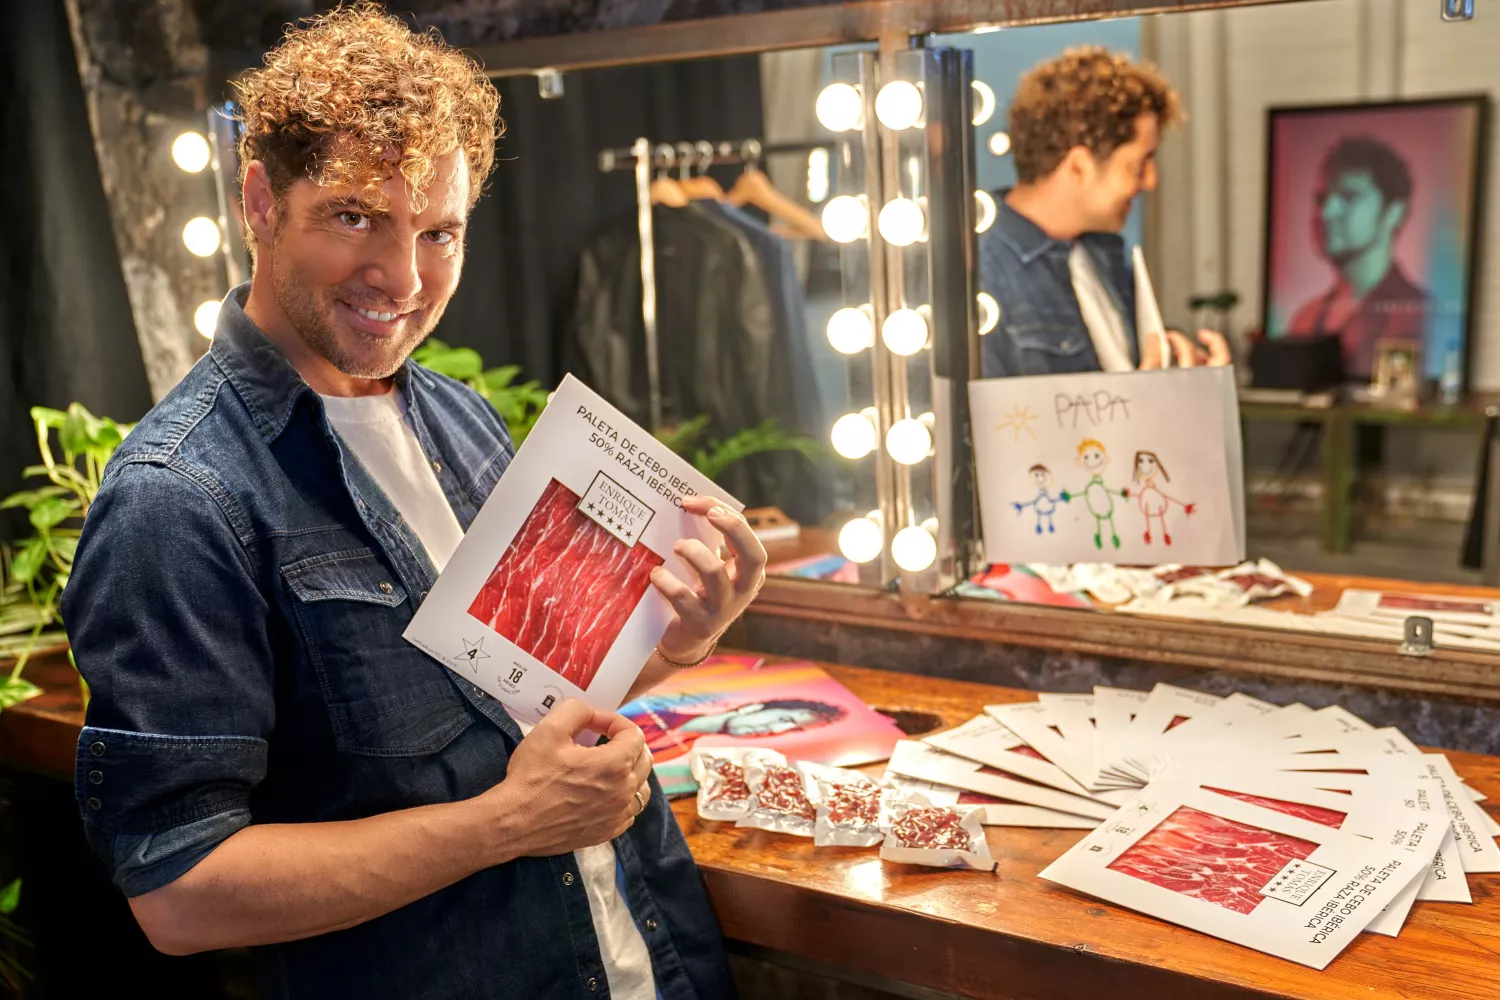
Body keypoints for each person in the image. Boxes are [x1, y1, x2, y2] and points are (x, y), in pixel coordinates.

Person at [62, 7, 760, 999]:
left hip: (643, 961)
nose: (402, 276)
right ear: (261, 200)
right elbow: (180, 892)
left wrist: (676, 638)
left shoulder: (462, 419)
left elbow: (528, 705)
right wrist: (511, 824)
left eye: (439, 231)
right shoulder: (176, 500)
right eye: (356, 217)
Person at [979, 47, 1232, 378]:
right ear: (1079, 166)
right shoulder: (982, 272)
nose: (1152, 181)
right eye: (1139, 164)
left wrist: (1181, 381)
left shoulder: (1104, 254)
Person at [1285, 136, 1430, 377]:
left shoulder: (1420, 316)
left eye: (1350, 197)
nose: (1328, 213)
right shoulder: (1306, 317)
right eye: (1321, 200)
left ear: (1394, 212)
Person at [630, 697, 847, 763]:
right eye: (785, 718)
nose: (777, 729)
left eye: (793, 730)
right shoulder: (650, 709)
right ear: (753, 707)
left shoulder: (681, 750)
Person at [1131, 450, 1195, 546]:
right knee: (1148, 515)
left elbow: (1166, 495)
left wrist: (1183, 505)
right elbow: (1139, 495)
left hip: (1157, 501)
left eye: (1151, 461)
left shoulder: (1155, 487)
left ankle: (1165, 534)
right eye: (1140, 461)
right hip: (1148, 501)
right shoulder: (1145, 488)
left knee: (1160, 515)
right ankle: (1149, 533)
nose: (1145, 466)